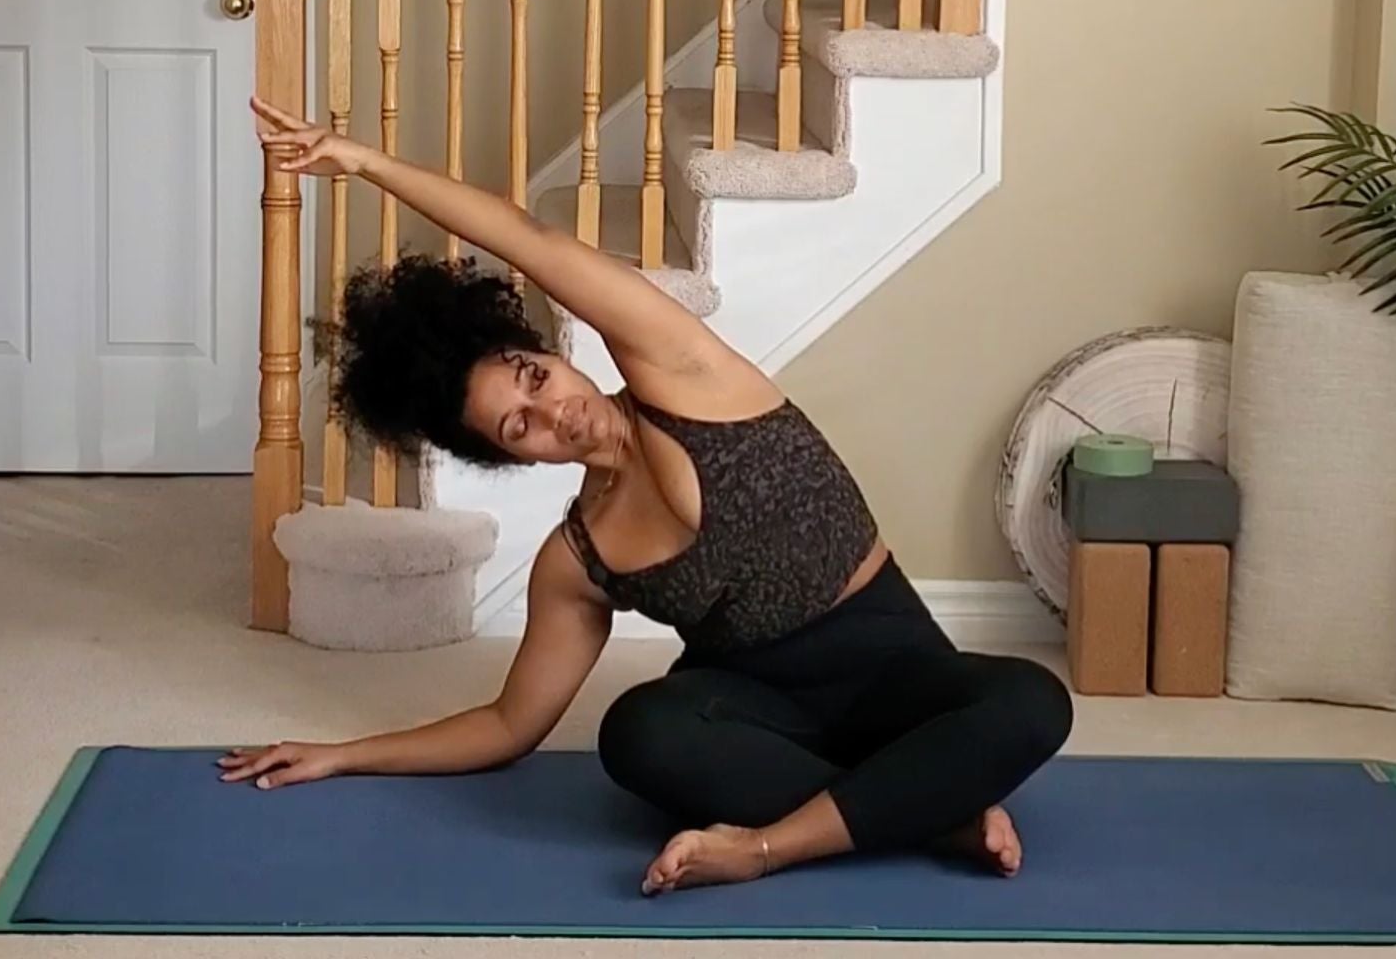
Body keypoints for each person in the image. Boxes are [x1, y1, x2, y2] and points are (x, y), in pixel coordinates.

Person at [219, 98, 1073, 896]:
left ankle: (769, 845)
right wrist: (344, 755)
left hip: (897, 672)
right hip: (762, 715)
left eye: (534, 376)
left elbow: (526, 239)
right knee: (637, 736)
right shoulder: (577, 558)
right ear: (511, 459)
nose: (555, 410)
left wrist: (366, 160)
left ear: (548, 351)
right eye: (522, 429)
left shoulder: (687, 377)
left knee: (1034, 702)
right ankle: (928, 808)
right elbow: (509, 726)